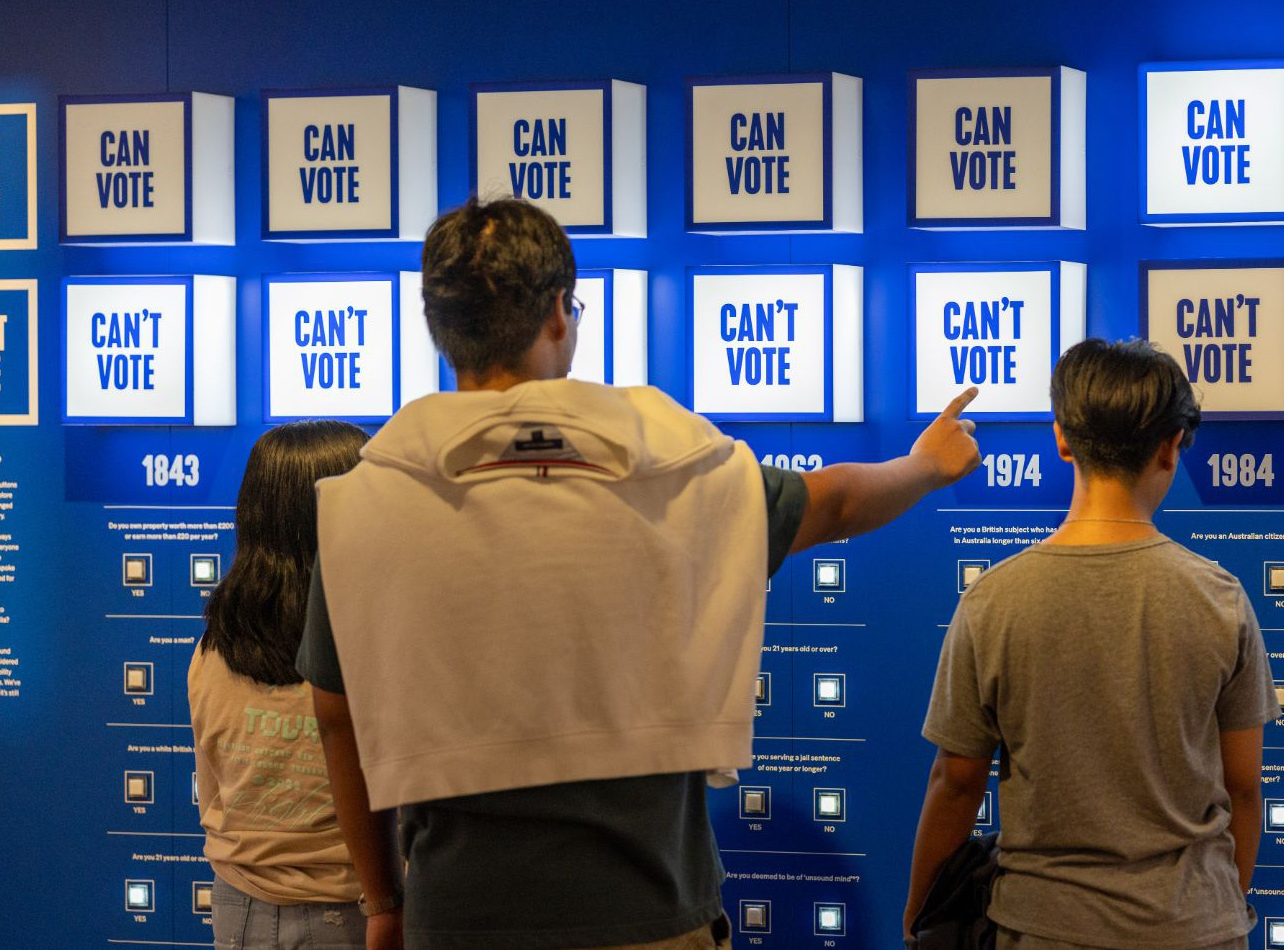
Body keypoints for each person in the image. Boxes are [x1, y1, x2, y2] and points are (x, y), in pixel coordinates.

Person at [295, 196, 983, 950]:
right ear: (561, 312)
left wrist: (383, 901)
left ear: (440, 326)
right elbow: (839, 503)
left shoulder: (365, 501)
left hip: (457, 919)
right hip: (655, 916)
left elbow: (337, 721)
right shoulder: (675, 467)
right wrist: (925, 466)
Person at [904, 338, 1278, 950]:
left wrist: (918, 916)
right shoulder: (1222, 598)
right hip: (1197, 928)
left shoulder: (993, 600)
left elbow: (956, 783)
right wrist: (1217, 906)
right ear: (1169, 447)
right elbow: (1244, 788)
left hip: (1042, 928)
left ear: (1061, 438)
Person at [190, 420, 372, 950]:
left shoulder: (212, 649)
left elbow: (214, 788)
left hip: (237, 907)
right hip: (354, 907)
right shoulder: (366, 644)